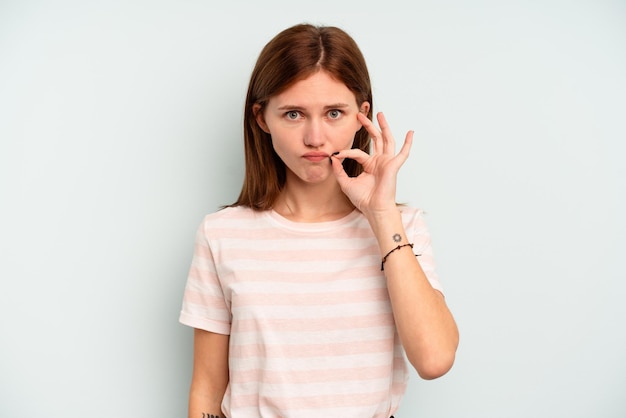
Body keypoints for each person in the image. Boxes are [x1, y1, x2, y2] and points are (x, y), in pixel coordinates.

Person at [179, 23, 459, 418]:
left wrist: (381, 215)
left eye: (334, 113)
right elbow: (207, 392)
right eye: (293, 114)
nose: (315, 137)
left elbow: (435, 359)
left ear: (361, 116)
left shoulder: (401, 228)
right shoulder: (223, 234)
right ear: (262, 118)